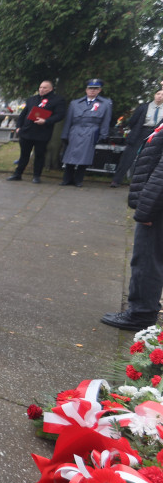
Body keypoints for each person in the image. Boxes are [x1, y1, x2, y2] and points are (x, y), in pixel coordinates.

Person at [101, 121, 163, 331]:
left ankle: (141, 314)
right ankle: (145, 307)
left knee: (146, 260)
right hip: (155, 205)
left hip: (157, 209)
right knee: (148, 260)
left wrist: (147, 209)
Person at [7, 80, 66, 183]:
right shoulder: (32, 99)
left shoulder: (57, 100)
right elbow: (23, 114)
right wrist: (18, 126)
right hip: (27, 131)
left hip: (42, 132)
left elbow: (59, 115)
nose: (41, 89)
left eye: (45, 88)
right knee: (24, 155)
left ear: (51, 89)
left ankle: (36, 176)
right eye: (40, 87)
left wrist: (46, 121)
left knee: (39, 155)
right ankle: (18, 174)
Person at [61, 79, 113, 187]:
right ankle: (66, 179)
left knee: (85, 157)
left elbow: (105, 120)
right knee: (70, 156)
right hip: (75, 130)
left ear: (99, 90)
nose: (92, 91)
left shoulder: (105, 104)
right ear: (86, 90)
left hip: (91, 131)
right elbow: (69, 120)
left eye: (95, 89)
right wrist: (65, 134)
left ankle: (78, 180)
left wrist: (103, 135)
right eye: (90, 88)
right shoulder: (75, 103)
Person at [111, 89, 163, 188]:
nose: (160, 96)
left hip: (154, 135)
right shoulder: (143, 107)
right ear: (154, 95)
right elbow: (133, 121)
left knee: (146, 160)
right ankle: (116, 180)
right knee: (127, 158)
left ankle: (139, 184)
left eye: (162, 95)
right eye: (158, 94)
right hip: (139, 133)